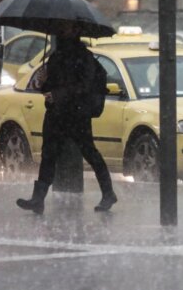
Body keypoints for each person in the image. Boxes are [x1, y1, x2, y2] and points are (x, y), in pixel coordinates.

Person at [16, 22, 117, 214]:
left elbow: (84, 86)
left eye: (67, 28)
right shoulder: (56, 56)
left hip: (77, 114)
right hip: (56, 114)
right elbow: (49, 87)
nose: (62, 31)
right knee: (48, 155)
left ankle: (108, 193)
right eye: (60, 28)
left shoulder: (84, 58)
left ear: (76, 31)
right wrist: (43, 83)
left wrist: (58, 94)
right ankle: (38, 199)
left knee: (89, 152)